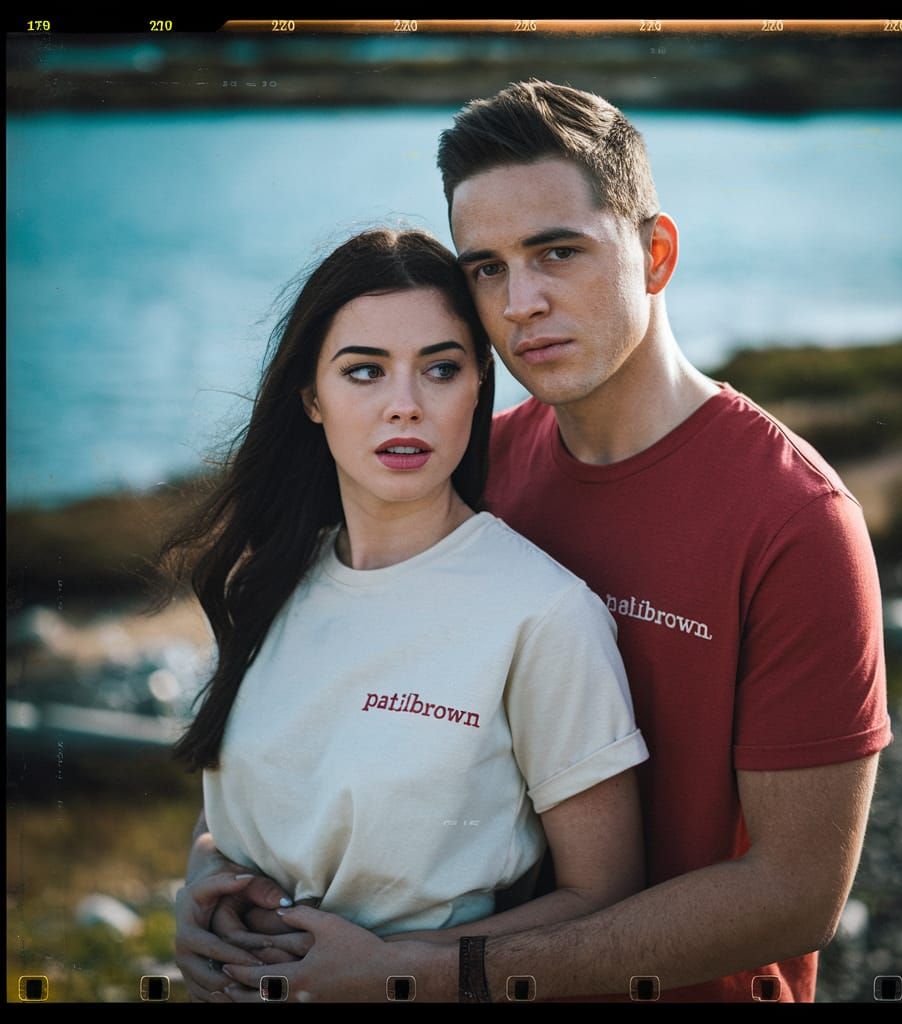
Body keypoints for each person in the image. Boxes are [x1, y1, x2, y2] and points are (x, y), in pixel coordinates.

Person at [179, 81, 892, 1003]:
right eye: (486, 267)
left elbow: (796, 896)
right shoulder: (477, 473)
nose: (521, 302)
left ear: (656, 253)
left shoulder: (796, 522)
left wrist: (415, 975)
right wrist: (214, 877)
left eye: (558, 252)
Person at [168, 226, 649, 1001]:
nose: (405, 406)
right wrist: (199, 888)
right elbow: (243, 811)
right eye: (364, 371)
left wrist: (394, 969)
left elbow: (605, 897)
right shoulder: (269, 579)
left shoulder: (545, 615)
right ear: (311, 398)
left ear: (479, 387)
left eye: (440, 369)